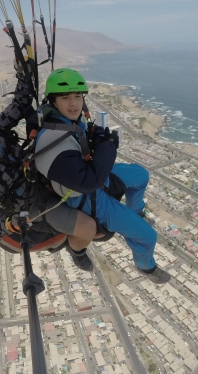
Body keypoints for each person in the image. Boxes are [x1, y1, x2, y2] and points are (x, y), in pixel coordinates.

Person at [0, 64, 98, 271]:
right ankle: (77, 251)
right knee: (88, 227)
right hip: (31, 203)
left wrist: (23, 72)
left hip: (38, 173)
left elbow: (20, 103)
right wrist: (11, 223)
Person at [34, 68, 171, 284]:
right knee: (148, 236)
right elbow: (88, 183)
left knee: (140, 175)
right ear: (53, 101)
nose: (73, 103)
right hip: (84, 197)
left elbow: (83, 141)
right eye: (65, 97)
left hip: (90, 175)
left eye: (77, 96)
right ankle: (146, 266)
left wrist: (96, 137)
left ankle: (136, 211)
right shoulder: (53, 141)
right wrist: (107, 147)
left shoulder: (65, 120)